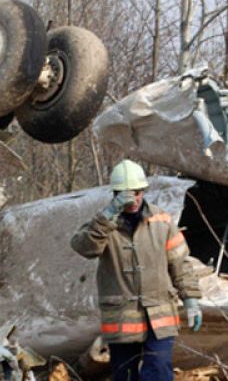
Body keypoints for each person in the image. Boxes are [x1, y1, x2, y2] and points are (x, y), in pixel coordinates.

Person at [71, 159, 202, 381]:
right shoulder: (103, 224)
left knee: (158, 369)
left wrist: (191, 299)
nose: (133, 199)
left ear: (143, 191)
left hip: (160, 315)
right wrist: (107, 216)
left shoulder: (162, 221)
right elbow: (84, 247)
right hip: (122, 318)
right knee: (126, 374)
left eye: (137, 193)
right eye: (125, 194)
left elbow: (181, 263)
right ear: (115, 194)